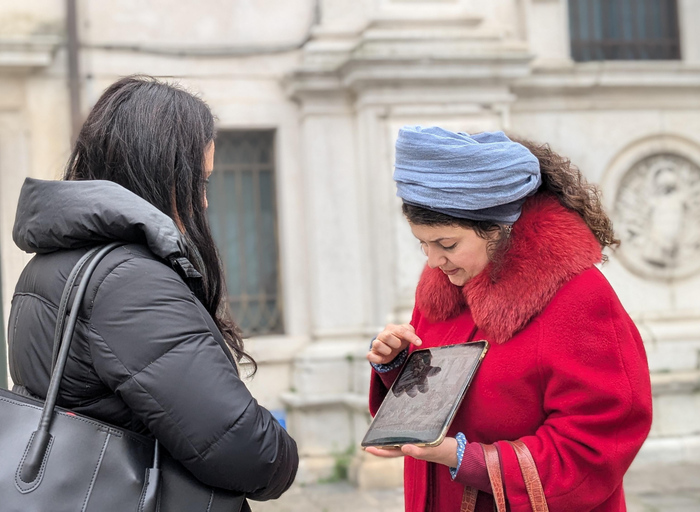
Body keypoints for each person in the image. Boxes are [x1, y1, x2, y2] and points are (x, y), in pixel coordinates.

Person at [8, 76, 298, 510]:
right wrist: (284, 455)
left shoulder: (53, 262)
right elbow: (246, 452)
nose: (202, 203)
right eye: (198, 182)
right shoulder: (129, 281)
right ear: (158, 172)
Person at [366, 126, 652, 511]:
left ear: (499, 229)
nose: (433, 261)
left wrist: (467, 459)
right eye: (423, 243)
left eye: (446, 244)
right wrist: (398, 366)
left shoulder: (580, 297)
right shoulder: (443, 284)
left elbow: (596, 443)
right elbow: (446, 395)